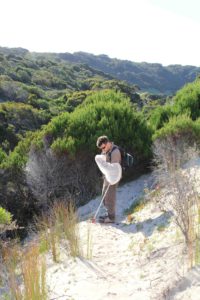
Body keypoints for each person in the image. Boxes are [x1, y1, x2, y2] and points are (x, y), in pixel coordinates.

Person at [96, 135, 121, 223]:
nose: (102, 150)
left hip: (113, 177)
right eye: (101, 149)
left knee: (110, 197)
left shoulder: (115, 152)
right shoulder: (105, 150)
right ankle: (108, 213)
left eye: (103, 147)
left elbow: (115, 169)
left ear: (107, 143)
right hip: (107, 176)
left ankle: (111, 218)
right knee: (104, 195)